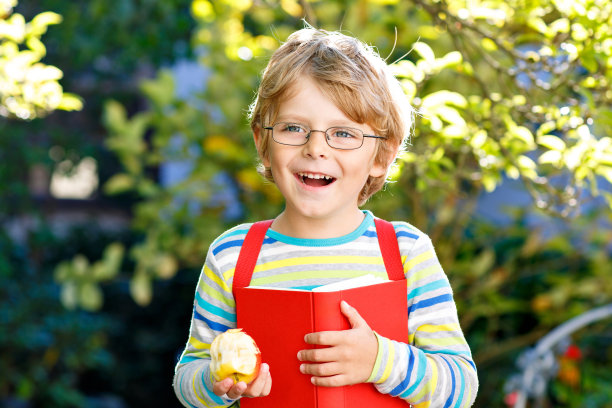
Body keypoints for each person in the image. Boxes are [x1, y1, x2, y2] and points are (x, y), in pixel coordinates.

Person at [174, 26, 478, 407]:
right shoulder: (232, 256)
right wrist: (216, 380)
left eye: (344, 134)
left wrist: (381, 362)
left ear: (381, 155)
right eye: (293, 128)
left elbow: (461, 387)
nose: (315, 148)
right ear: (263, 143)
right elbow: (189, 377)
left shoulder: (405, 252)